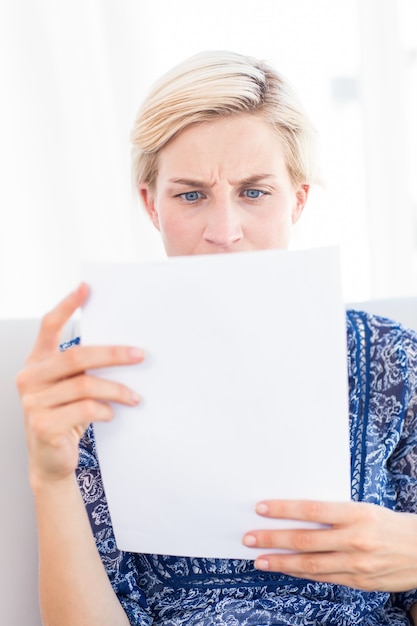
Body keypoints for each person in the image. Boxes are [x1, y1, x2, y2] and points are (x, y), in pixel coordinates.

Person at [16, 50, 417, 626]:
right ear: (151, 205)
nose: (224, 231)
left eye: (254, 192)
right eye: (190, 194)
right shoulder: (84, 382)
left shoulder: (393, 361)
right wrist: (49, 476)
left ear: (297, 200)